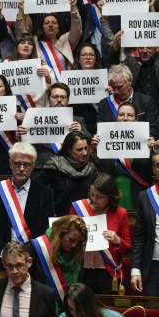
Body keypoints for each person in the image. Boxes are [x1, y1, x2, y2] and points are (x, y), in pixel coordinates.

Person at [0, 143, 54, 278]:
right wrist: (5, 253)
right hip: (2, 263)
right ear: (10, 164)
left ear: (33, 166)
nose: (21, 169)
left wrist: (26, 255)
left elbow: (45, 229)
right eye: (17, 164)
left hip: (31, 264)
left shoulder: (44, 193)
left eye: (26, 165)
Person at [68, 173, 131, 294]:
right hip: (80, 269)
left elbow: (127, 247)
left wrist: (118, 241)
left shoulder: (120, 213)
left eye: (100, 196)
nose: (94, 199)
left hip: (106, 273)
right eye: (92, 194)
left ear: (110, 196)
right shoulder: (78, 208)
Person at [15, 83, 92, 172]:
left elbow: (89, 138)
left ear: (68, 100)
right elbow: (25, 144)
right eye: (55, 97)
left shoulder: (77, 120)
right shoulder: (35, 119)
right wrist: (20, 137)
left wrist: (80, 131)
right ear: (48, 100)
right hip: (43, 167)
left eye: (63, 97)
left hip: (72, 167)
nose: (59, 100)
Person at [96, 102, 156, 209]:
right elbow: (99, 169)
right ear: (116, 118)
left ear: (136, 119)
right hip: (111, 194)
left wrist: (153, 149)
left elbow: (152, 168)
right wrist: (95, 147)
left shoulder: (145, 139)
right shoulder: (104, 138)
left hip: (138, 193)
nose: (125, 118)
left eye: (129, 115)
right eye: (121, 115)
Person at [27, 215, 88, 314]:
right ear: (60, 233)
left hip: (70, 312)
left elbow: (79, 284)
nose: (74, 245)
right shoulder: (36, 247)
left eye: (78, 242)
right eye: (71, 240)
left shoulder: (78, 254)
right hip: (40, 310)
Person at [0, 241, 55, 317]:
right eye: (10, 266)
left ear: (29, 262)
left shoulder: (46, 294)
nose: (14, 271)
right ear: (3, 263)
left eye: (19, 265)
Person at [37, 131, 100, 215]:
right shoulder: (55, 165)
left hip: (87, 216)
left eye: (86, 148)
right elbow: (36, 187)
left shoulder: (92, 166)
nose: (84, 153)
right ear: (69, 150)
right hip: (61, 217)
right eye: (79, 149)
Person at [16, 0, 82, 74]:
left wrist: (73, 8)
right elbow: (21, 32)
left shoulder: (66, 40)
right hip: (44, 84)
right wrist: (21, 11)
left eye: (54, 23)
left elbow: (77, 28)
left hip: (65, 84)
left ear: (58, 28)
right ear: (42, 27)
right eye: (47, 23)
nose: (51, 25)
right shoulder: (35, 42)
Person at [97, 64, 159, 139]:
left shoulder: (146, 101)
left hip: (138, 147)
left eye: (119, 87)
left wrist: (149, 138)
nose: (116, 92)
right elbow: (99, 130)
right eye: (113, 88)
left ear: (129, 81)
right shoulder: (105, 104)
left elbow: (153, 128)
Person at [131, 151, 159, 296]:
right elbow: (140, 237)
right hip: (153, 267)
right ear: (154, 169)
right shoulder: (145, 196)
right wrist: (135, 270)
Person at [7, 33, 53, 109]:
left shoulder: (43, 67)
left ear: (33, 48)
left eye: (30, 43)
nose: (26, 45)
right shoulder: (6, 65)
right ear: (17, 46)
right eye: (22, 43)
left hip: (38, 112)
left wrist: (48, 78)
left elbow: (56, 90)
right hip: (14, 112)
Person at [70, 43, 106, 135]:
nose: (88, 57)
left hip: (101, 125)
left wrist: (110, 96)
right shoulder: (70, 80)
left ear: (96, 59)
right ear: (79, 59)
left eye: (91, 55)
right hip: (80, 128)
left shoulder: (105, 79)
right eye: (84, 55)